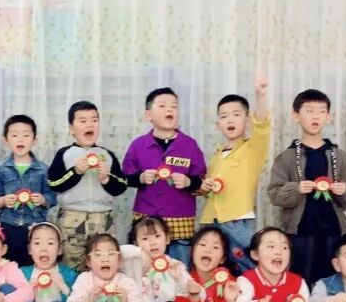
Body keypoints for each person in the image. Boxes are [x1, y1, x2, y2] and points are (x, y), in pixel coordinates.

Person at [267, 89, 346, 285]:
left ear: (329, 117)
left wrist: (344, 190)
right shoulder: (286, 157)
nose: (316, 116)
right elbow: (274, 195)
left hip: (333, 232)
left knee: (332, 283)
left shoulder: (341, 156)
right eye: (309, 111)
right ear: (296, 116)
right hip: (299, 233)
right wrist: (296, 188)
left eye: (321, 111)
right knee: (300, 282)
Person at [123, 88, 207, 266]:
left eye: (174, 106)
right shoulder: (138, 145)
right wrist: (140, 178)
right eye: (162, 106)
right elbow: (125, 178)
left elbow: (202, 181)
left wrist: (188, 182)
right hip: (147, 223)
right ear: (148, 115)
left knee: (179, 270)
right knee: (144, 271)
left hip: (180, 224)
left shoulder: (190, 145)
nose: (169, 109)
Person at [197, 75, 272, 270]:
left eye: (236, 114)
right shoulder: (216, 155)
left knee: (245, 266)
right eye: (224, 116)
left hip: (238, 220)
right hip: (210, 220)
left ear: (247, 121)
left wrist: (260, 96)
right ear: (217, 124)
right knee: (211, 267)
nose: (229, 120)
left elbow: (262, 126)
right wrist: (204, 186)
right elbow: (206, 191)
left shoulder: (253, 149)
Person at [47, 101, 128, 271]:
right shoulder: (65, 154)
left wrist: (106, 179)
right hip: (71, 219)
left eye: (94, 120)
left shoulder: (107, 155)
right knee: (72, 265)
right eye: (83, 121)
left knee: (103, 264)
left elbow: (121, 186)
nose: (89, 124)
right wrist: (76, 171)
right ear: (71, 129)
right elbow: (54, 184)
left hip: (102, 219)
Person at [0, 115, 54, 266]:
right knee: (8, 266)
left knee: (33, 267)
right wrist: (2, 201)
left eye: (26, 135)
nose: (20, 139)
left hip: (35, 226)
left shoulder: (43, 169)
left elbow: (52, 198)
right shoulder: (0, 168)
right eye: (14, 135)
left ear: (34, 140)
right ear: (5, 140)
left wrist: (43, 200)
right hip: (8, 226)